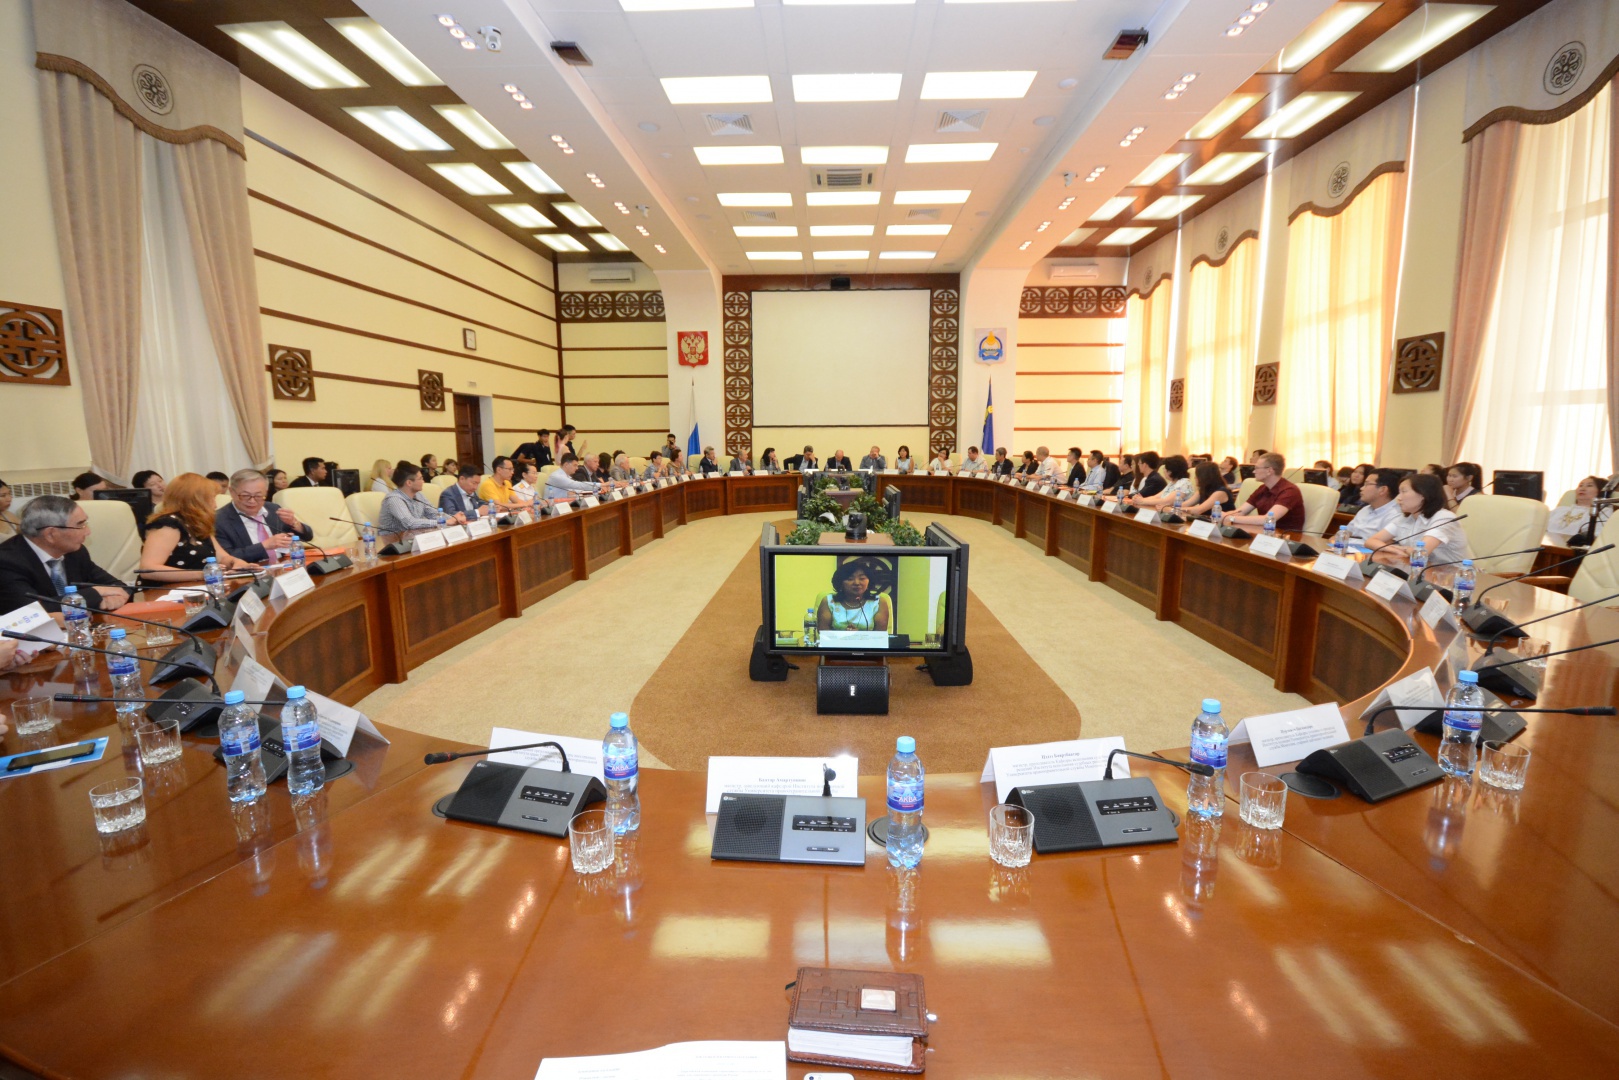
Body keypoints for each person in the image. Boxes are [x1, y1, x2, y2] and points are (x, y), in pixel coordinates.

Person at [0, 495, 129, 615]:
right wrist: (96, 593)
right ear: (51, 534)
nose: (88, 532)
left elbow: (119, 587)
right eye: (80, 525)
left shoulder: (75, 552)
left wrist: (113, 598)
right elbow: (31, 611)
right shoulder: (6, 561)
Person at [139, 473, 253, 583]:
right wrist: (203, 574)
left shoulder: (198, 523)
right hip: (165, 592)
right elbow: (148, 569)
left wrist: (236, 562)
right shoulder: (168, 525)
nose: (215, 505)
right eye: (211, 499)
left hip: (201, 588)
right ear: (195, 501)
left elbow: (222, 557)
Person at [1367, 472, 1472, 566]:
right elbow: (1371, 541)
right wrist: (1394, 549)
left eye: (1404, 491)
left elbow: (1420, 553)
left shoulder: (1444, 518)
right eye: (1399, 492)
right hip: (1418, 570)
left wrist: (1404, 549)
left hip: (1453, 575)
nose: (1398, 498)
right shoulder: (1405, 518)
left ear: (1423, 494)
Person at [215, 469, 315, 563]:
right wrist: (264, 545)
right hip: (250, 571)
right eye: (245, 496)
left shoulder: (273, 509)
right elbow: (226, 558)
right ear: (232, 492)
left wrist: (294, 523)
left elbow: (307, 536)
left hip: (283, 566)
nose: (252, 501)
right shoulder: (218, 520)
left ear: (266, 492)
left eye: (258, 496)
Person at [1223, 452, 1304, 531]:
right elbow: (1241, 512)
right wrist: (1223, 515)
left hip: (1287, 536)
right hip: (1265, 532)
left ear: (1269, 471)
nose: (1253, 471)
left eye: (1257, 468)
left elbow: (1267, 519)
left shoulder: (1289, 491)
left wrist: (1231, 518)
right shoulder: (1262, 488)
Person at [816, 556, 892, 633]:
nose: (856, 583)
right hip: (835, 641)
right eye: (850, 579)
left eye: (862, 578)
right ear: (840, 582)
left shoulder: (879, 602)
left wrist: (858, 636)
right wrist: (844, 636)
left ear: (869, 581)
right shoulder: (829, 601)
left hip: (868, 641)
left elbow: (879, 636)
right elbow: (823, 634)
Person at [379, 463, 453, 533]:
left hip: (413, 535)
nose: (423, 481)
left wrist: (453, 519)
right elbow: (410, 523)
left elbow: (433, 513)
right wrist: (442, 522)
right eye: (420, 479)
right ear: (409, 483)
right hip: (393, 539)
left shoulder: (419, 495)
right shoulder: (394, 499)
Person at [1345, 468, 1405, 543]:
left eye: (1367, 484)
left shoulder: (1396, 515)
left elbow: (1386, 545)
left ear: (1382, 490)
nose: (1361, 488)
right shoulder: (1365, 509)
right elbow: (1346, 532)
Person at [1127, 455, 1192, 509]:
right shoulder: (1172, 483)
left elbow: (1167, 501)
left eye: (1165, 468)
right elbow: (1157, 496)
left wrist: (1142, 501)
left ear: (1170, 471)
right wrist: (1140, 499)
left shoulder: (1184, 483)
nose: (1163, 470)